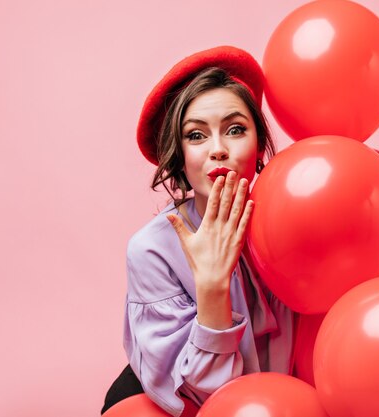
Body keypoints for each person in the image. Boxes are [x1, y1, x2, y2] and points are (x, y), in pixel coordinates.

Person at [102, 46, 295, 417]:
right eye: (196, 136)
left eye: (235, 130)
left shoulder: (295, 220)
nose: (218, 150)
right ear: (179, 158)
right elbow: (209, 397)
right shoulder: (151, 251)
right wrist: (212, 285)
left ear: (258, 145)